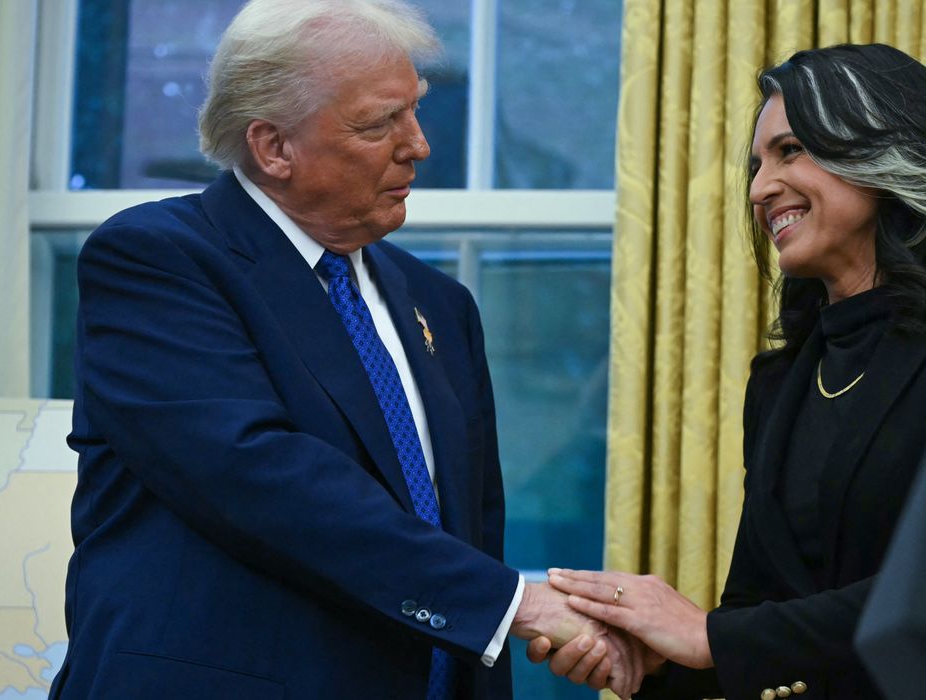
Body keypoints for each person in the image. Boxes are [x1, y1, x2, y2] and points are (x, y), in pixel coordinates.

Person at [49, 1, 645, 698]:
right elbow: (259, 477)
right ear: (273, 147)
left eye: (416, 111)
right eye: (377, 124)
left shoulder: (439, 305)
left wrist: (508, 620)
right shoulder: (159, 260)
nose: (418, 144)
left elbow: (466, 535)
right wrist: (519, 605)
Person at [526, 43, 926, 699]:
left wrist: (713, 639)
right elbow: (759, 613)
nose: (760, 189)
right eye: (757, 163)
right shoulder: (782, 379)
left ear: (883, 151)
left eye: (790, 151)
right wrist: (651, 659)